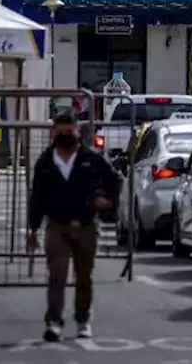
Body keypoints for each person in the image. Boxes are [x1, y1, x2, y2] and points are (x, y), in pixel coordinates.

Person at [27, 111, 122, 342]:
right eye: (61, 132)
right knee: (57, 275)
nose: (65, 136)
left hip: (86, 225)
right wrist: (33, 228)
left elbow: (115, 181)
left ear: (78, 132)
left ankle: (83, 319)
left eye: (70, 131)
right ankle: (53, 321)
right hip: (57, 226)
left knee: (83, 276)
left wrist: (107, 202)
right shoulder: (46, 162)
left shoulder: (91, 159)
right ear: (53, 133)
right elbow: (37, 196)